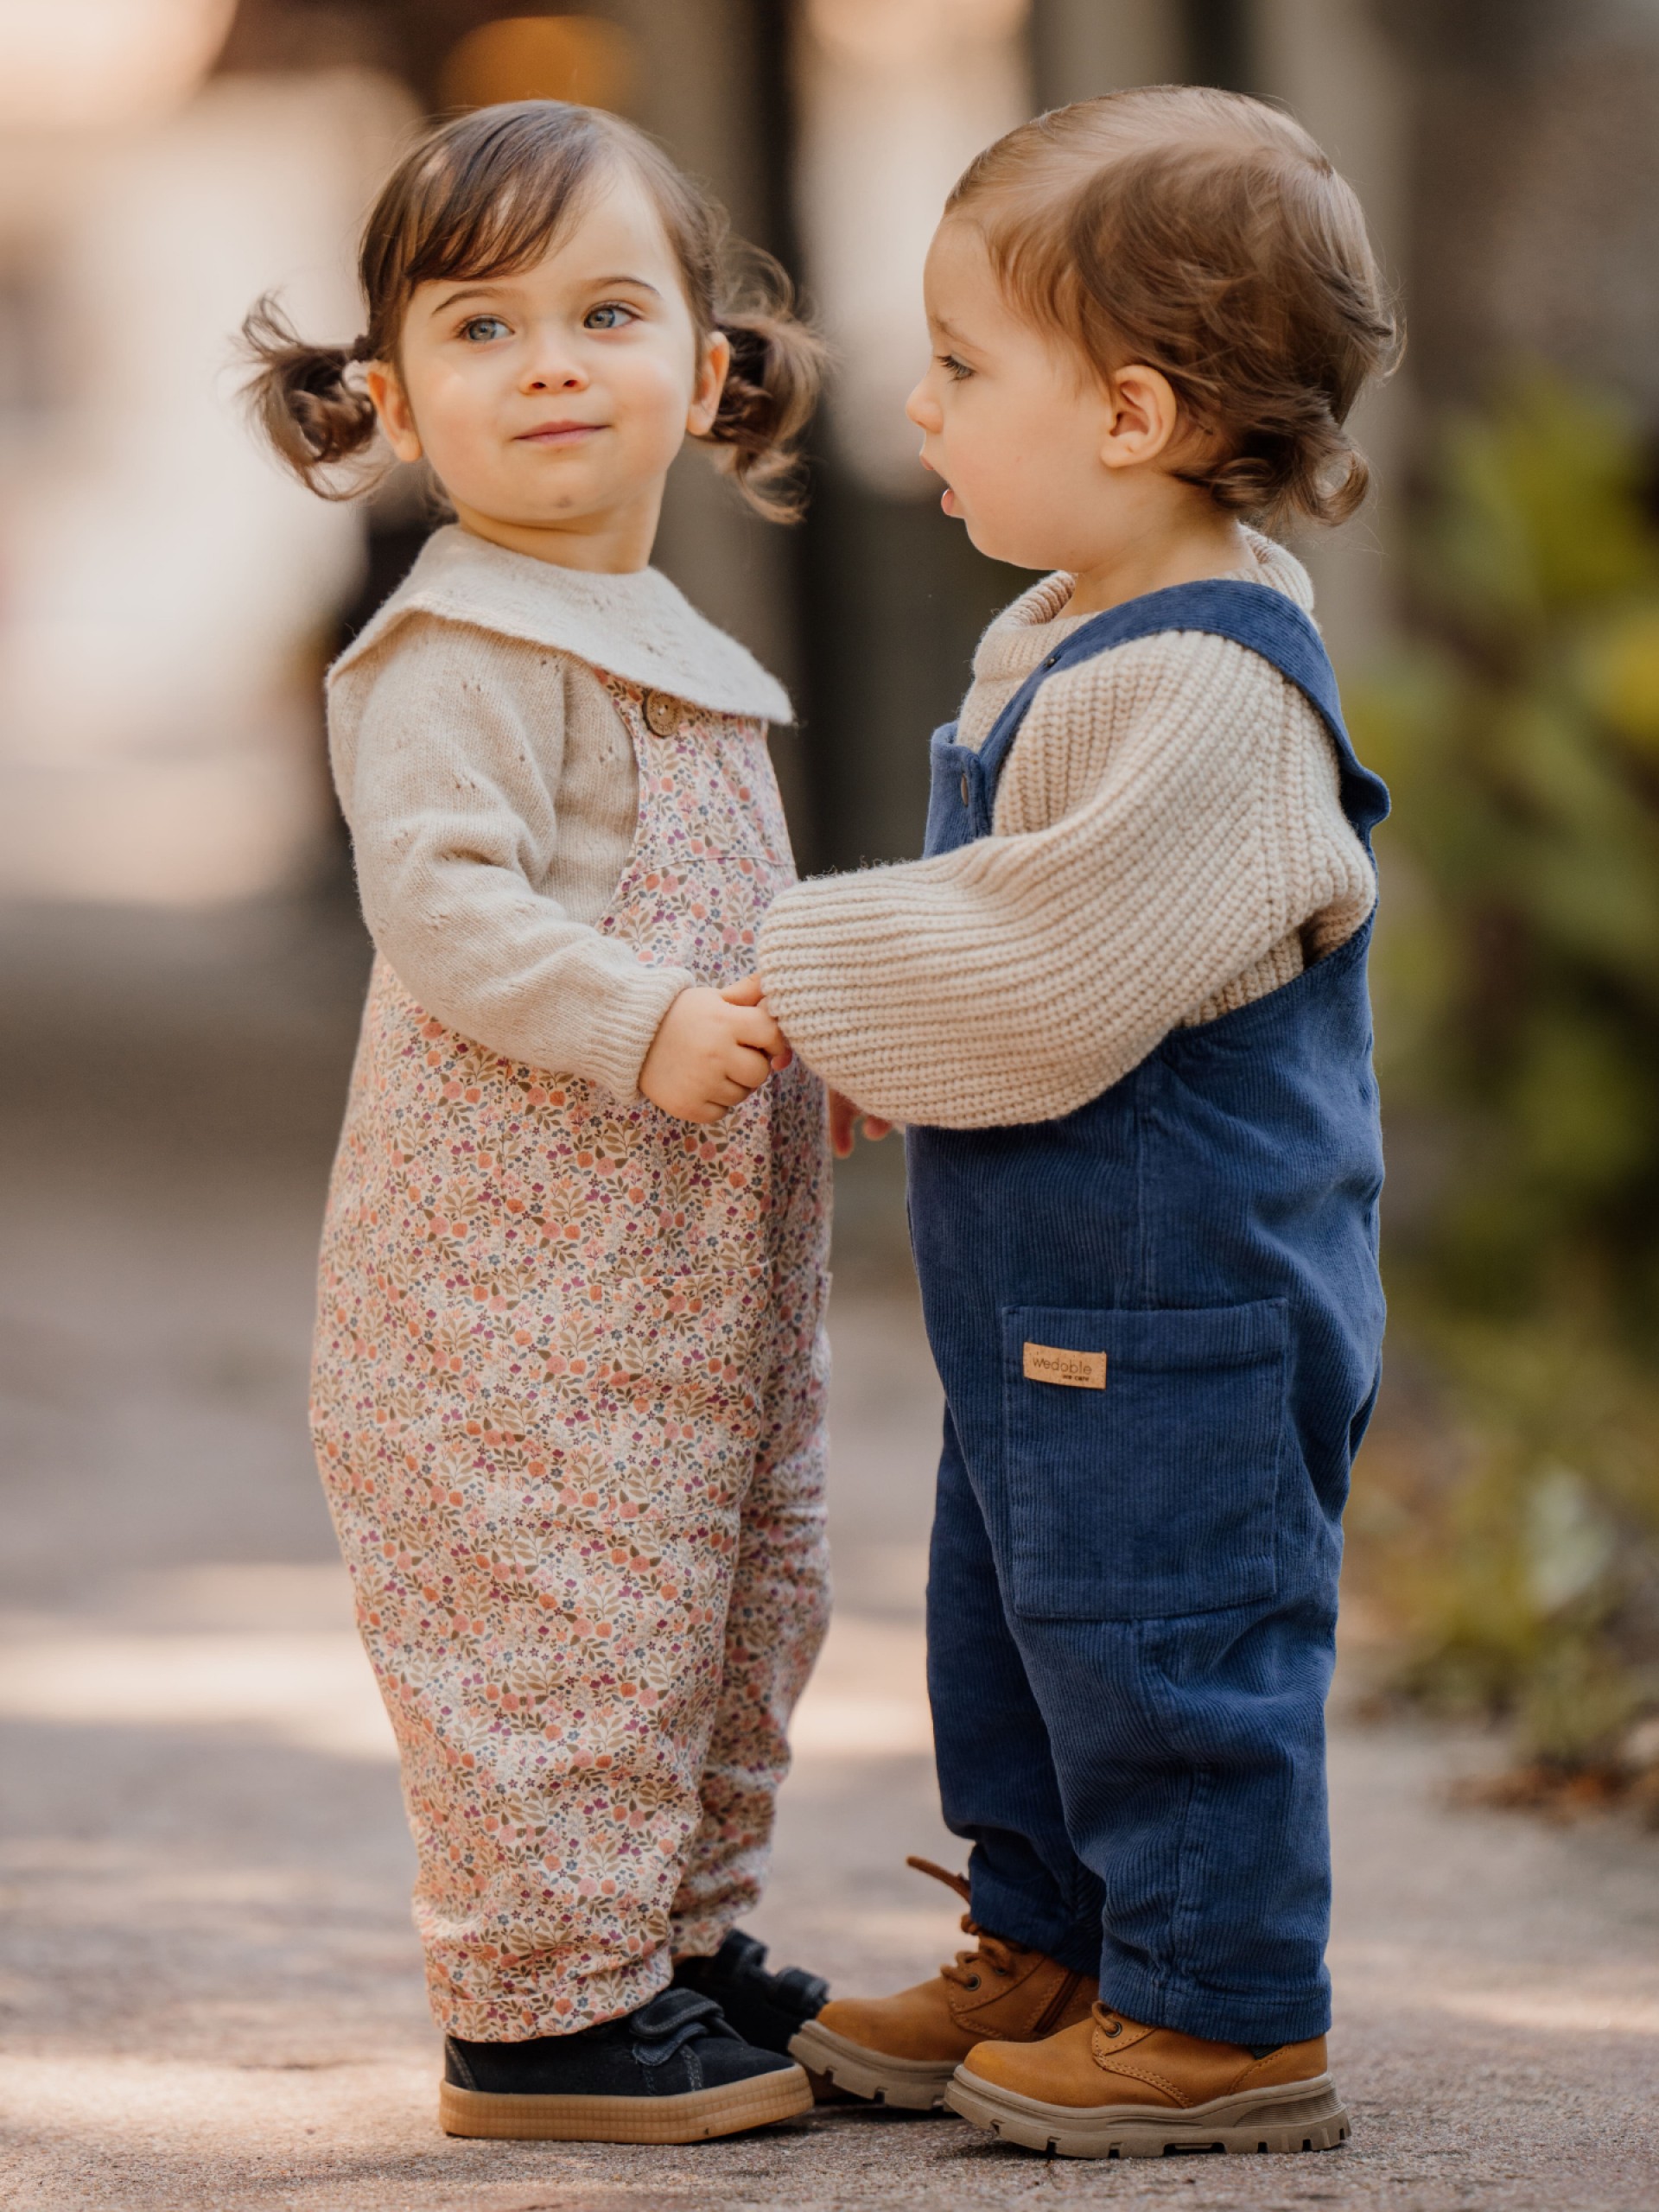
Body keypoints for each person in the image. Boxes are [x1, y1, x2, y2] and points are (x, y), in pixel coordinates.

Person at [761, 87, 1397, 2159]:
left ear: (1129, 413)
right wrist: (893, 1034)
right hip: (1059, 1301)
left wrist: (799, 992)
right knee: (1025, 1614)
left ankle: (1217, 2005)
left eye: (960, 366)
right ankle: (1054, 1935)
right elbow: (1035, 947)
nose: (920, 405)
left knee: (1164, 1635)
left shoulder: (1209, 688)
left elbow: (1045, 964)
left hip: (1184, 1303)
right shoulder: (1062, 630)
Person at [244, 100, 835, 2145]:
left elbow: (712, 902)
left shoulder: (678, 642)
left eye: (607, 311)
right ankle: (542, 2004)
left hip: (675, 1253)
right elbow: (450, 900)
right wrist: (651, 1017)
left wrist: (791, 1052)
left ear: (712, 369)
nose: (557, 363)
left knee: (729, 1582)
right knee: (559, 1600)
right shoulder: (460, 638)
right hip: (513, 1286)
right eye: (485, 330)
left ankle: (670, 1935)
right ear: (391, 401)